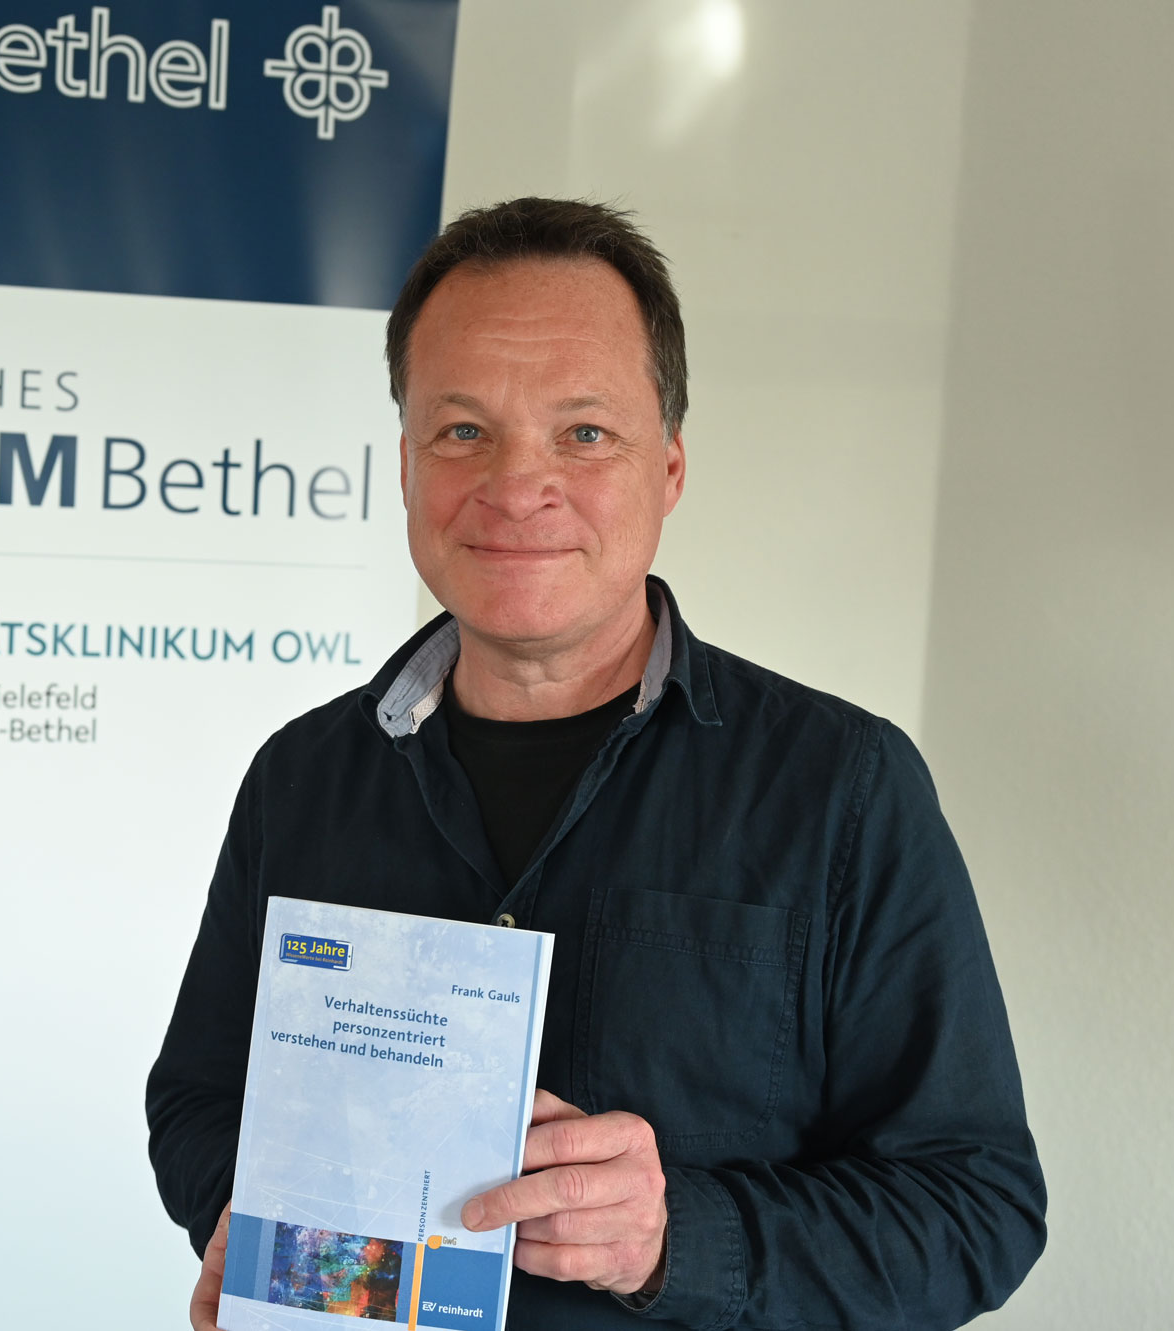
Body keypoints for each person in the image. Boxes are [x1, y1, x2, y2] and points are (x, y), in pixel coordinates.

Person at [145, 197, 1045, 1329]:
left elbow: (976, 1208)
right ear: (406, 465)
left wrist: (674, 1238)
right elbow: (196, 1103)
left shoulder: (843, 789)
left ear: (667, 466)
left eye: (583, 433)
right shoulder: (303, 776)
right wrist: (259, 1217)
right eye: (462, 431)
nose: (517, 486)